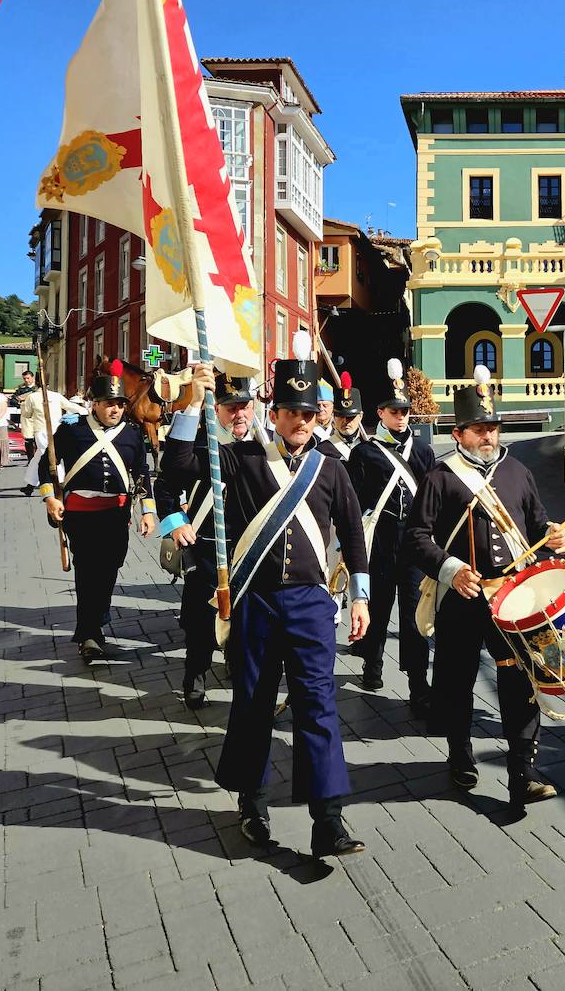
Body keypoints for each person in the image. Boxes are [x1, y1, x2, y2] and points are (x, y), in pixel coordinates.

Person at [166, 340, 371, 859]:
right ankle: (251, 803)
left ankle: (329, 820)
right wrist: (195, 401)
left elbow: (351, 531)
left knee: (318, 706)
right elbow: (181, 467)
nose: (299, 421)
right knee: (254, 703)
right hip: (256, 600)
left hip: (310, 601)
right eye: (290, 412)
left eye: (307, 413)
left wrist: (361, 598)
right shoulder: (241, 460)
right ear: (273, 413)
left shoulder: (330, 466)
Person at [404, 366, 565, 809]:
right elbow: (416, 537)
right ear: (459, 433)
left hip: (514, 598)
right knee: (456, 682)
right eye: (479, 429)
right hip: (461, 598)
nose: (489, 436)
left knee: (522, 682)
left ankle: (524, 772)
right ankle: (460, 753)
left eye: (493, 427)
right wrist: (451, 569)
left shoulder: (518, 470)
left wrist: (558, 536)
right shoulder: (441, 476)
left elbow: (537, 524)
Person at [39, 362, 156, 660]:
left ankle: (97, 621)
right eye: (109, 404)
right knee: (88, 571)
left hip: (116, 515)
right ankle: (88, 633)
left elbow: (141, 473)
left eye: (119, 405)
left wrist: (146, 511)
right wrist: (50, 498)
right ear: (95, 404)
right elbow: (46, 465)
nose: (115, 410)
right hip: (82, 514)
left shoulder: (131, 435)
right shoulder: (71, 430)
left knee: (110, 568)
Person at [155, 374, 255, 709]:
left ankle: (238, 669)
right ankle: (194, 677)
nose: (238, 414)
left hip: (251, 549)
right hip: (208, 546)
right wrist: (175, 523)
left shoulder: (266, 447)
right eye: (230, 408)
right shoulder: (198, 444)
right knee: (200, 624)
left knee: (246, 622)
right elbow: (166, 484)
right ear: (217, 410)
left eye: (243, 406)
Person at [346, 359, 436, 706]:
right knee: (378, 608)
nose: (401, 417)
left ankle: (417, 682)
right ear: (380, 413)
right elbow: (354, 501)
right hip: (380, 540)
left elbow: (432, 500)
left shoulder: (424, 452)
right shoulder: (365, 452)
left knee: (414, 615)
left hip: (413, 542)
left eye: (405, 411)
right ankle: (372, 664)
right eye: (394, 411)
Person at [20, 384, 85, 496]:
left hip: (44, 430)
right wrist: (84, 410)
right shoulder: (55, 396)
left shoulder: (32, 397)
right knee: (41, 456)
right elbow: (69, 406)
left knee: (51, 456)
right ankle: (30, 486)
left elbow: (27, 414)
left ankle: (58, 483)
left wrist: (23, 404)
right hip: (51, 429)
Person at [331, 373, 367, 460]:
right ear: (333, 417)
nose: (345, 420)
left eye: (351, 417)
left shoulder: (371, 449)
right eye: (340, 416)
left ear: (360, 416)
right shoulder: (323, 450)